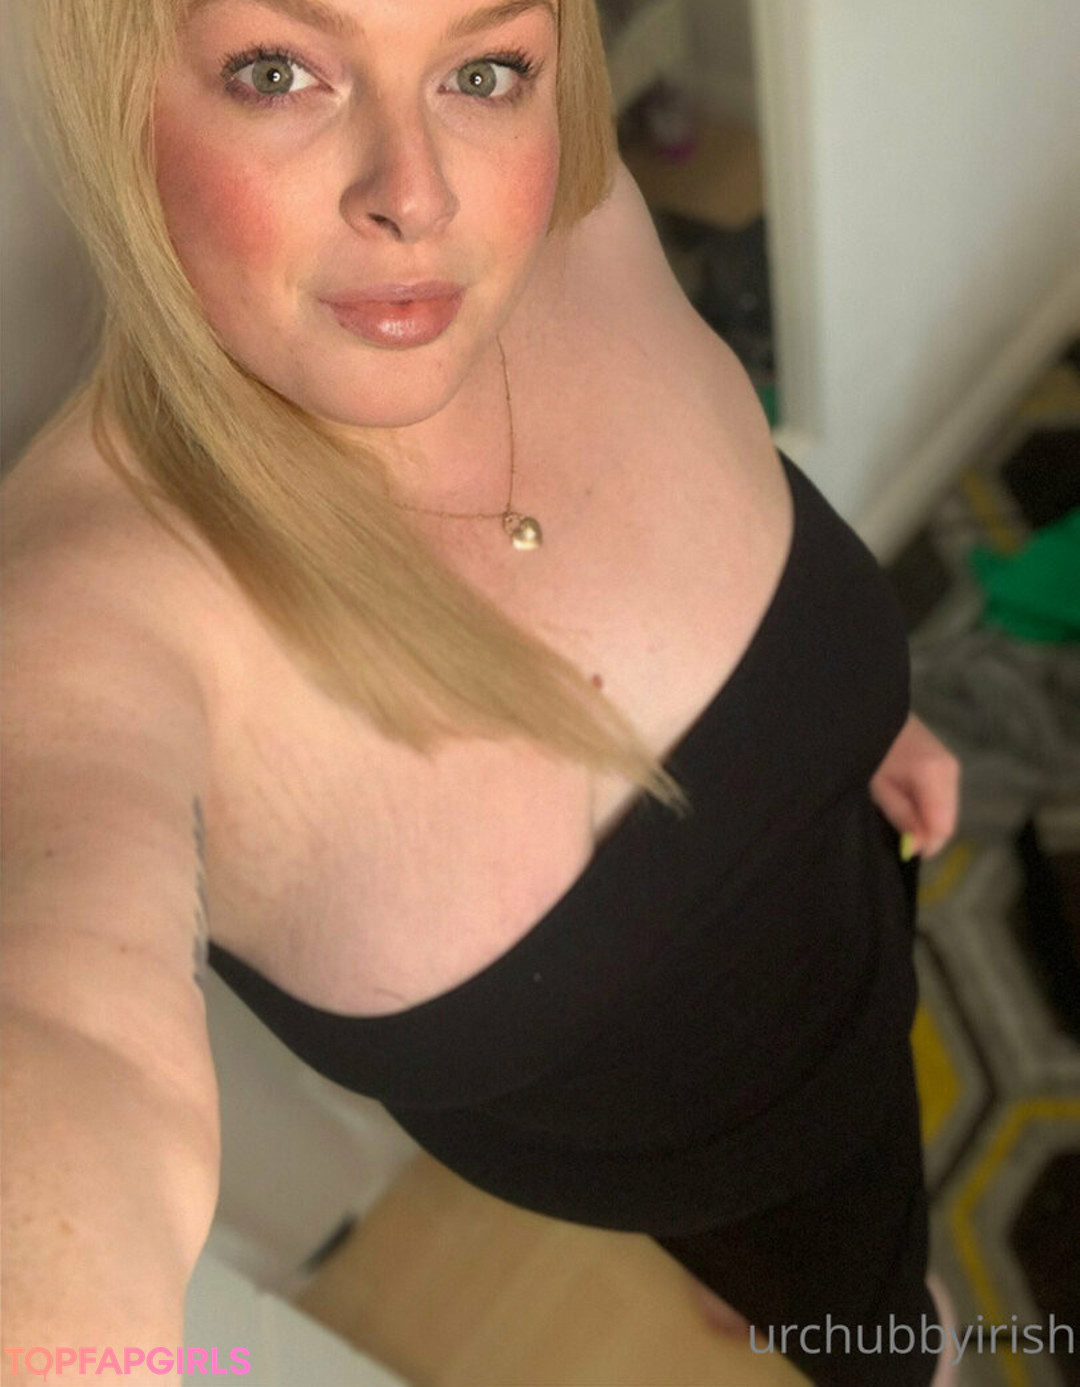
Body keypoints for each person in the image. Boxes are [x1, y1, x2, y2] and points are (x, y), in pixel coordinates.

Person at [1, 0, 961, 1383]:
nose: (420, 196)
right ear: (120, 94)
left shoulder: (580, 213)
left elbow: (737, 550)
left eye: (487, 67)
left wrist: (854, 719)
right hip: (672, 1154)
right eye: (277, 71)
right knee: (873, 1324)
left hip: (861, 907)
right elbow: (69, 1041)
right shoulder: (78, 616)